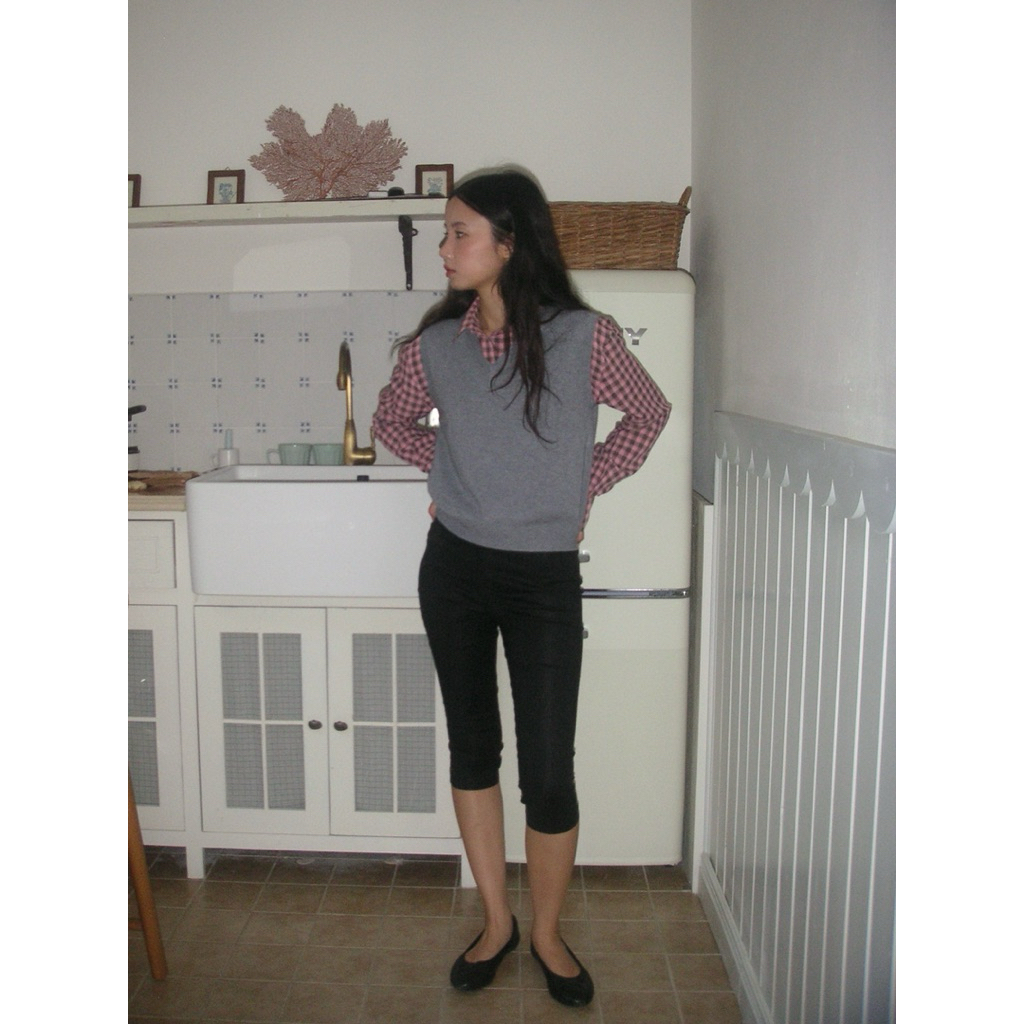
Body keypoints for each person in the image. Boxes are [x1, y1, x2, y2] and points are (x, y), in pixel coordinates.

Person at [371, 168, 670, 1008]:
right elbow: (392, 420)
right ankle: (498, 922)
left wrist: (579, 486)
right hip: (455, 569)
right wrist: (449, 470)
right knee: (474, 749)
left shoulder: (584, 337)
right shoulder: (436, 346)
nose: (445, 247)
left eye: (458, 232)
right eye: (445, 232)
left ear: (509, 243)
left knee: (548, 769)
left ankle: (546, 932)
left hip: (542, 577)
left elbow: (649, 413)